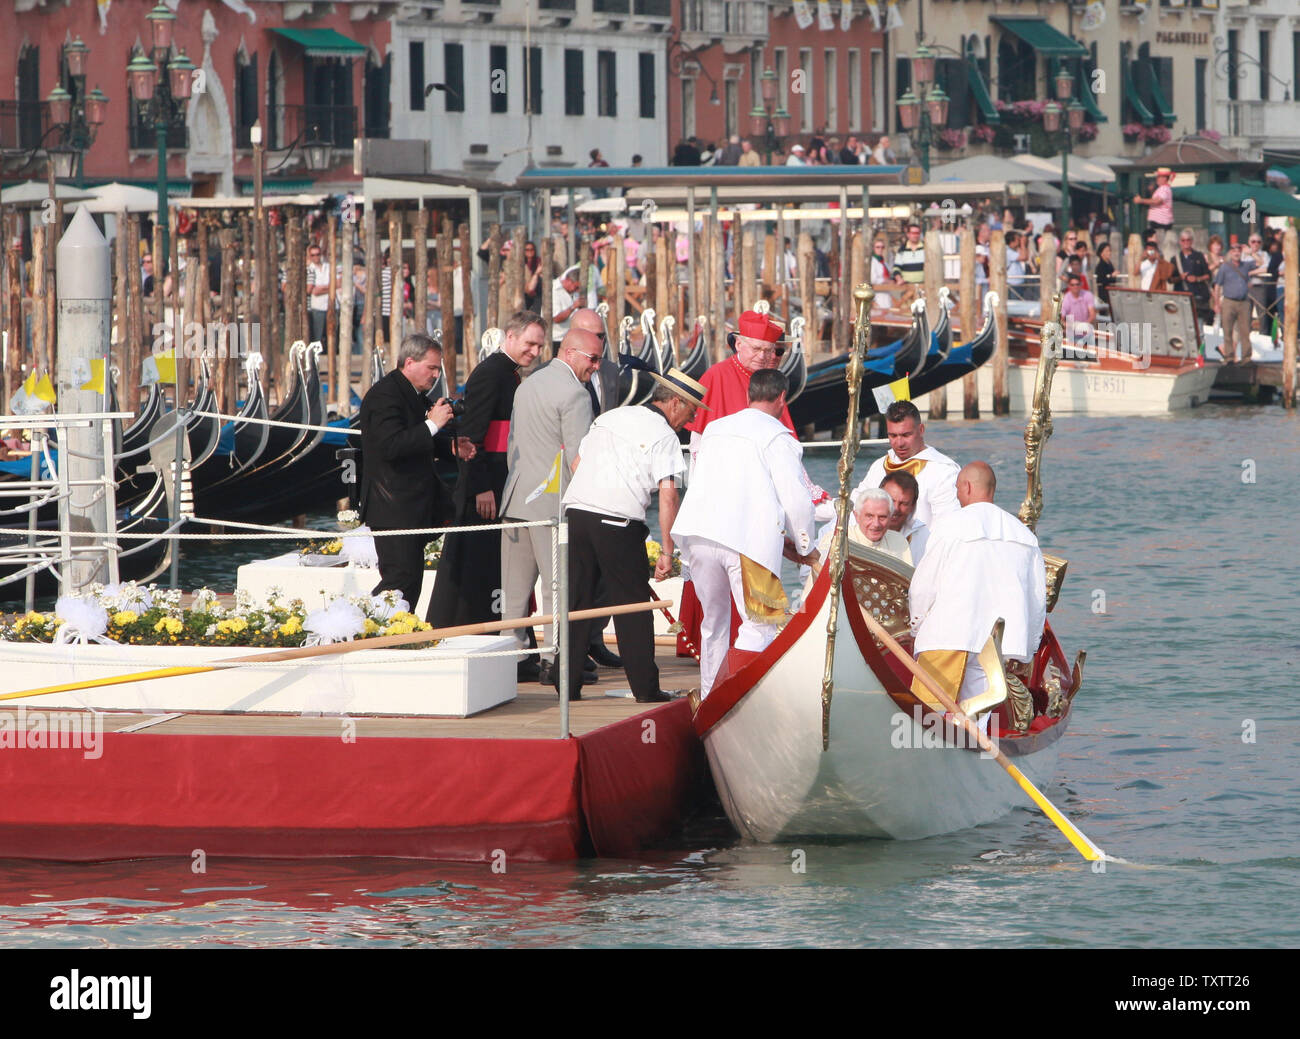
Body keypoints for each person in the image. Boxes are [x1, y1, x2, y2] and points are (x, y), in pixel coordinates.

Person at [558, 368, 707, 703]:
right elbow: (668, 496)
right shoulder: (664, 435)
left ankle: (566, 683)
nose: (691, 419)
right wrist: (668, 551)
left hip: (578, 514)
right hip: (618, 523)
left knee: (578, 601)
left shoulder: (611, 417)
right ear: (674, 403)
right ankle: (646, 689)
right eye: (691, 411)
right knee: (633, 607)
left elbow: (577, 464)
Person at [673, 369, 817, 697]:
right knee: (760, 623)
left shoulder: (715, 428)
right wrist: (804, 544)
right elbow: (796, 500)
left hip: (700, 533)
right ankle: (740, 696)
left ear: (749, 394)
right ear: (782, 398)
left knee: (713, 623)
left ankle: (711, 694)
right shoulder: (778, 436)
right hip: (747, 542)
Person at [427, 311, 545, 642]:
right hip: (485, 489)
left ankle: (510, 641)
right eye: (529, 343)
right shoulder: (491, 374)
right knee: (480, 570)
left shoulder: (510, 374)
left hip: (499, 484)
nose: (534, 352)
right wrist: (481, 488)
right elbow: (471, 435)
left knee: (497, 569)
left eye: (539, 346)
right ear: (510, 337)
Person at [499, 327, 601, 685]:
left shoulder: (526, 386)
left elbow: (514, 445)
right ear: (571, 353)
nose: (596, 368)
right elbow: (579, 459)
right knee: (555, 588)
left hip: (516, 499)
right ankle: (553, 662)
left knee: (513, 593)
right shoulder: (575, 393)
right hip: (552, 505)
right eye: (593, 359)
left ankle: (507, 659)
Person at [909, 461, 1045, 715]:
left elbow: (924, 586)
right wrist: (1029, 646)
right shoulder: (1024, 535)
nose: (957, 495)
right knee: (981, 719)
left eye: (958, 488)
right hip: (1001, 645)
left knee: (928, 715)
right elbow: (1037, 600)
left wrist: (916, 627)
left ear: (967, 487)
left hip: (948, 636)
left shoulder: (949, 525)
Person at [358, 334, 462, 612]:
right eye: (432, 368)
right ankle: (373, 631)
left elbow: (418, 436)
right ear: (409, 362)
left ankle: (397, 637)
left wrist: (452, 446)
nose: (436, 374)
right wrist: (432, 425)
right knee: (398, 580)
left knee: (410, 582)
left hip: (410, 508)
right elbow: (391, 446)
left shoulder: (412, 395)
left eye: (438, 368)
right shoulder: (384, 396)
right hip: (392, 508)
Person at [852, 400, 959, 530]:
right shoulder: (879, 466)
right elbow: (855, 504)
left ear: (921, 430)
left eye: (906, 435)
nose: (899, 443)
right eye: (893, 436)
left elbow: (947, 525)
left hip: (923, 548)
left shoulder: (944, 471)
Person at [808, 489, 911, 590]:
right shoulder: (835, 539)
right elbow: (821, 585)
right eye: (869, 516)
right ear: (857, 516)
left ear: (890, 517)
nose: (876, 524)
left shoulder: (899, 541)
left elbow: (908, 585)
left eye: (882, 517)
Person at [1212, 241, 1252, 362]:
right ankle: (1229, 357)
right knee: (1227, 330)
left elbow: (1260, 263)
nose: (1236, 253)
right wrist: (1216, 303)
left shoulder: (1246, 265)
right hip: (1229, 301)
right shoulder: (1225, 267)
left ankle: (1246, 358)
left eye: (1238, 251)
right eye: (1234, 251)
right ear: (1230, 253)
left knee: (1245, 331)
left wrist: (1250, 252)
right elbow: (1217, 285)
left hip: (1243, 302)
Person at [881, 470, 929, 561]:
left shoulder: (923, 537)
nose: (895, 508)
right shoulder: (857, 528)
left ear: (912, 506)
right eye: (891, 500)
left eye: (904, 503)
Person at [1172, 228, 1212, 324]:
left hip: (1197, 296)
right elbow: (1170, 279)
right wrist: (1180, 277)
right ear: (1180, 242)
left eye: (1188, 240)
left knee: (1198, 325)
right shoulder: (1175, 259)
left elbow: (1208, 275)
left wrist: (1197, 279)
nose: (1186, 242)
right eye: (1183, 240)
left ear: (1192, 241)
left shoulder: (1199, 256)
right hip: (1181, 295)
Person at [1133, 167, 1175, 240]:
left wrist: (1141, 200)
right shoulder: (1160, 189)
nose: (1157, 179)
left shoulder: (1164, 188)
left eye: (1159, 177)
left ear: (1165, 178)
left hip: (1161, 223)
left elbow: (1157, 201)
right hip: (1158, 222)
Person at [1061, 273, 1097, 344]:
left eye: (1077, 284)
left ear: (1081, 285)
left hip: (1087, 331)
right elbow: (1061, 317)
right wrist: (1070, 326)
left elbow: (1092, 314)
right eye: (1072, 285)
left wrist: (1083, 326)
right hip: (1072, 333)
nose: (1075, 286)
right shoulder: (1066, 298)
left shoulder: (1088, 295)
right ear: (1069, 286)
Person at [551, 265, 582, 346]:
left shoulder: (573, 292)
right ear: (568, 280)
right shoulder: (554, 290)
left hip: (571, 339)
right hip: (556, 340)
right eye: (576, 287)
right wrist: (573, 307)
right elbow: (556, 318)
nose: (577, 290)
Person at [1093, 240, 1117, 308]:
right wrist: (1111, 276)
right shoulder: (1101, 265)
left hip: (1111, 293)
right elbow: (1100, 280)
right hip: (1104, 293)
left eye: (1109, 251)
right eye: (1107, 251)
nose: (1109, 253)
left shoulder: (1109, 263)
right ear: (1101, 253)